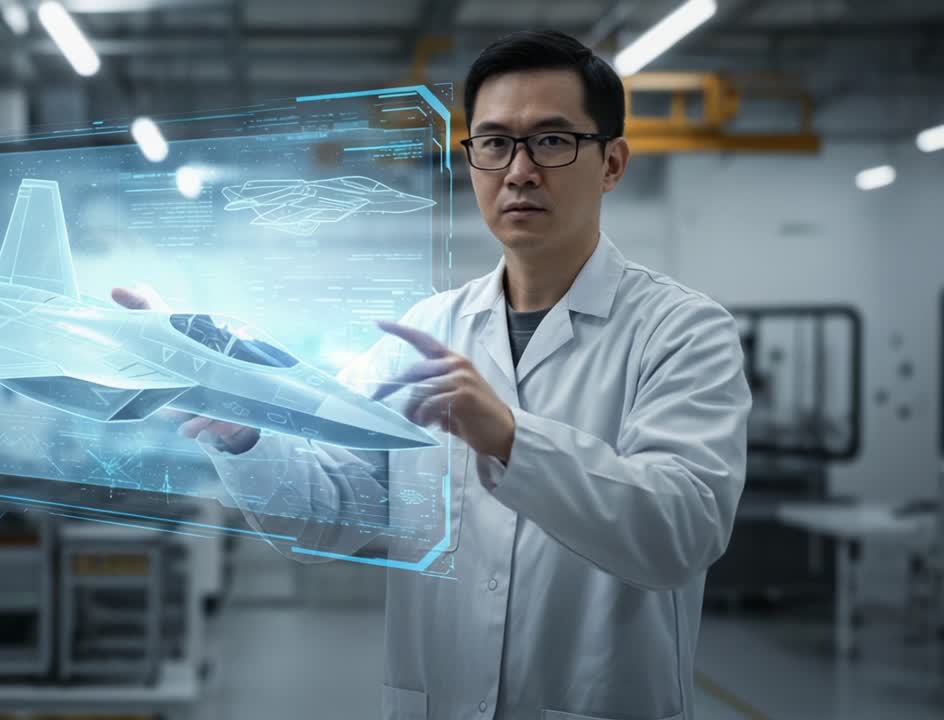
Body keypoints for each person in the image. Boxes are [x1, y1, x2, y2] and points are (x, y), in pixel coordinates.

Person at [115, 30, 750, 720]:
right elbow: (329, 515)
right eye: (494, 142)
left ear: (612, 163)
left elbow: (680, 534)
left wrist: (509, 438)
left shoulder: (684, 332)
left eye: (552, 140)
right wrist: (244, 434)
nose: (519, 170)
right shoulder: (428, 331)